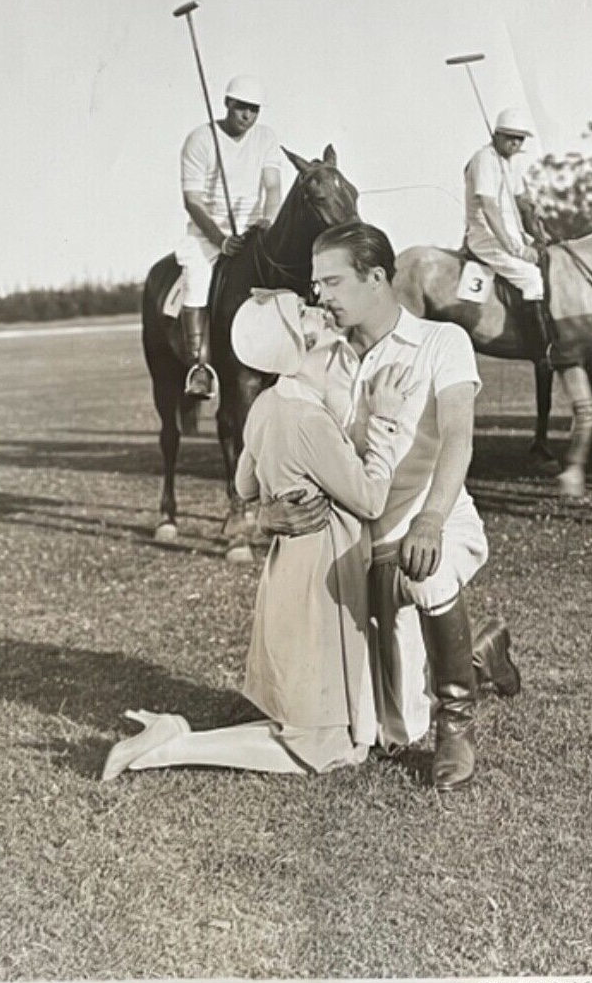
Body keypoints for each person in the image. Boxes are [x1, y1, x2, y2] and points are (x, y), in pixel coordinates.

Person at [101, 297, 419, 780]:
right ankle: (174, 745)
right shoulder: (308, 419)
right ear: (303, 343)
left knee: (336, 738)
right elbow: (371, 500)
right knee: (321, 750)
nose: (320, 311)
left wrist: (274, 502)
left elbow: (245, 487)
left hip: (291, 570)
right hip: (322, 578)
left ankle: (183, 739)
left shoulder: (268, 404)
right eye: (308, 315)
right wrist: (386, 421)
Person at [262, 222, 519, 792]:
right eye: (315, 284)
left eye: (331, 281)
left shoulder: (440, 342)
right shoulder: (322, 364)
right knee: (389, 730)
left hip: (436, 525)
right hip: (360, 554)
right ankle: (478, 654)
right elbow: (296, 461)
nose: (320, 296)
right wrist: (266, 515)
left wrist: (429, 519)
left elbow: (458, 436)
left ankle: (457, 725)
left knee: (425, 574)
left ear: (376, 279)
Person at [176, 74, 286, 398]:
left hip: (253, 230)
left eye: (254, 110)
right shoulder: (200, 139)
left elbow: (273, 187)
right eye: (241, 108)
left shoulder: (265, 138)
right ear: (227, 103)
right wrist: (220, 239)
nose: (247, 117)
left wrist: (269, 220)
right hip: (208, 234)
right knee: (196, 282)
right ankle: (199, 368)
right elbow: (192, 201)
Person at [463, 107, 555, 359]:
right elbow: (489, 208)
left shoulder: (508, 163)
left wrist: (536, 215)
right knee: (531, 278)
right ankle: (540, 346)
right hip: (485, 236)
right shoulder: (484, 159)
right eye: (510, 137)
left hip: (511, 233)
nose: (515, 143)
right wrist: (516, 249)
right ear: (497, 135)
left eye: (520, 138)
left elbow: (520, 197)